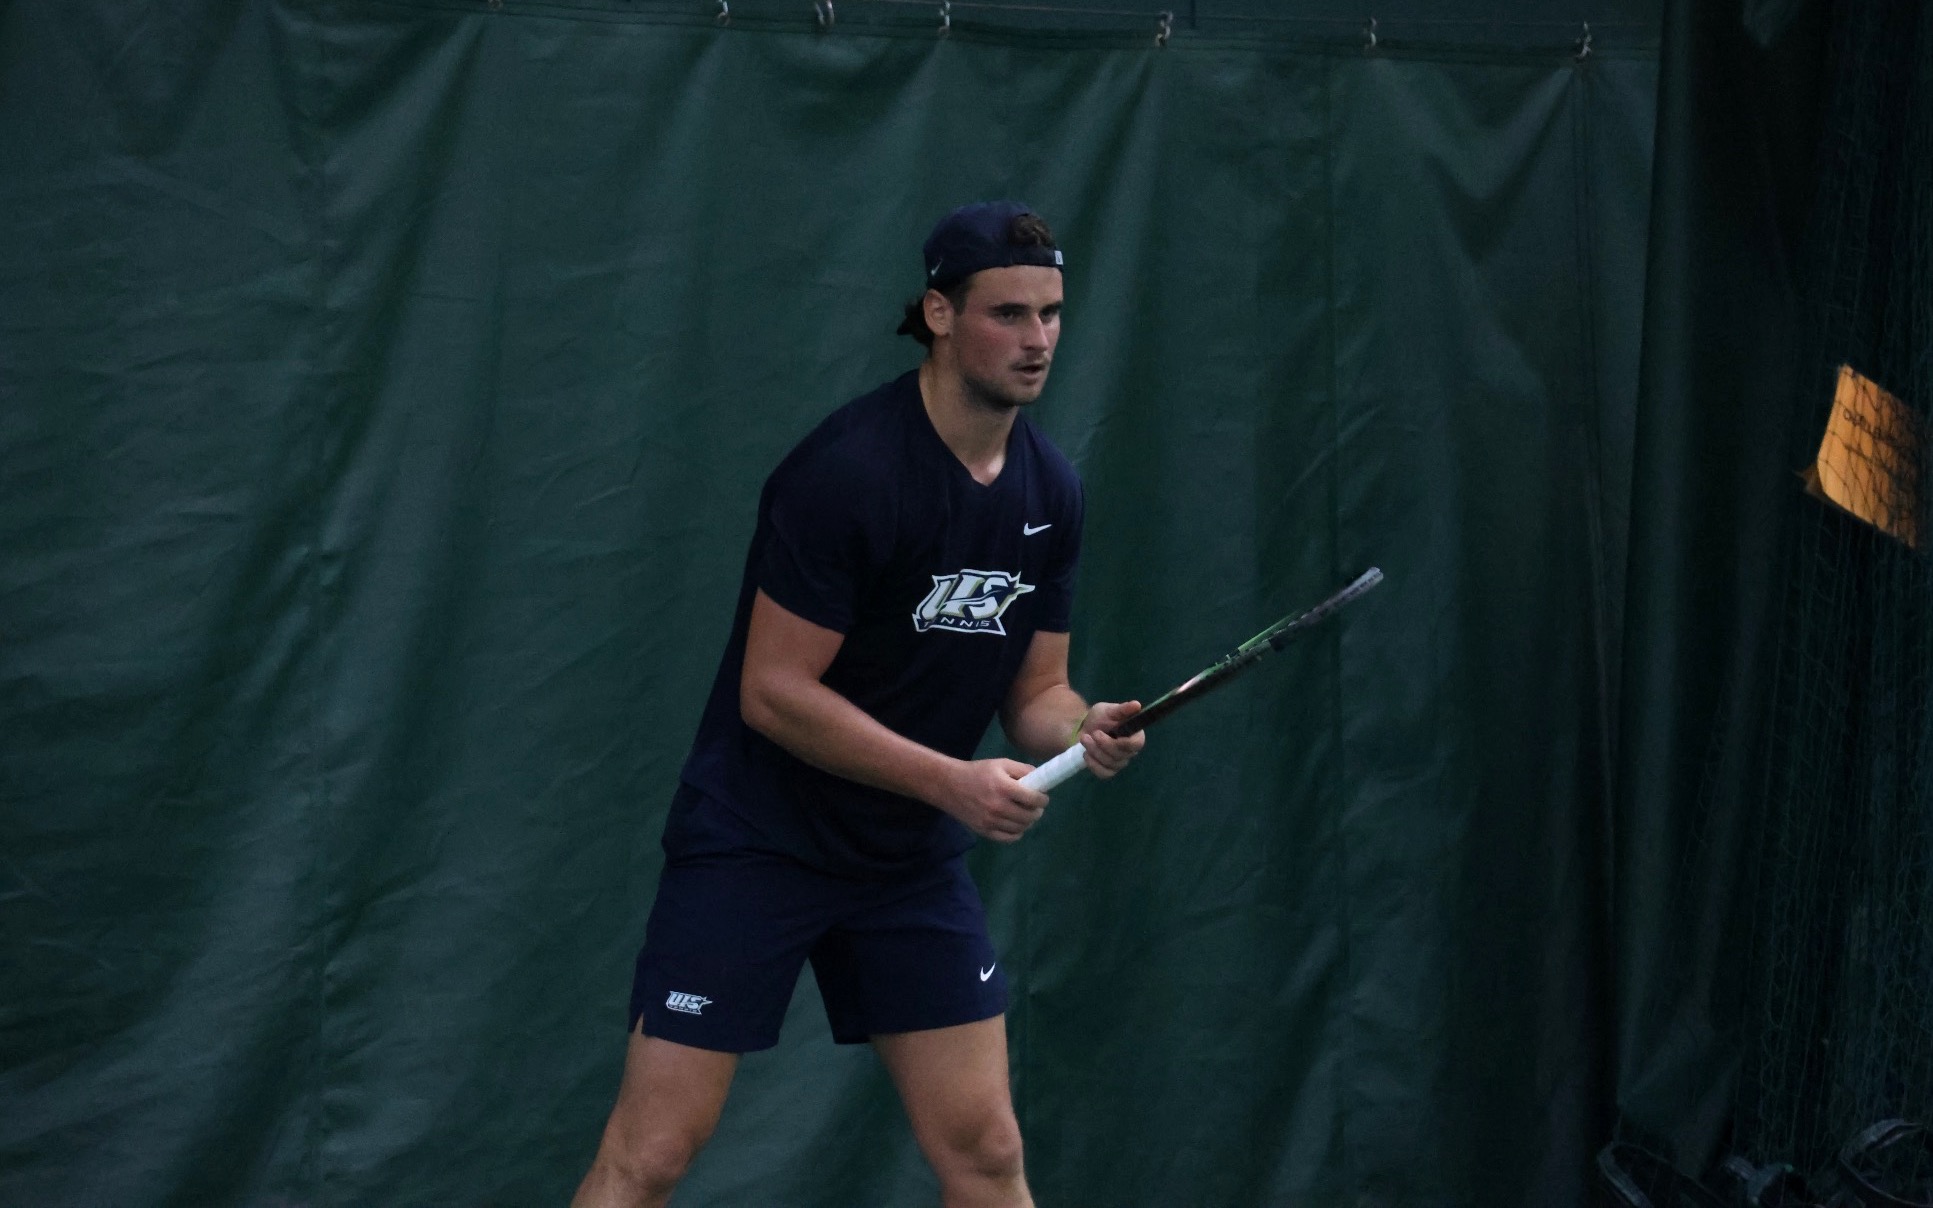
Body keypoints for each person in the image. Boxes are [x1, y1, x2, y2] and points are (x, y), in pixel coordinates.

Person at [573, 202, 1145, 1208]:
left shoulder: (1050, 489)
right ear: (937, 312)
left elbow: (1035, 695)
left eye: (1052, 313)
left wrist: (1081, 729)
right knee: (652, 1150)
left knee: (987, 1149)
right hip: (756, 842)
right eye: (1008, 313)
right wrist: (952, 783)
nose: (1038, 338)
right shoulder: (846, 472)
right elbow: (773, 693)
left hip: (905, 864)